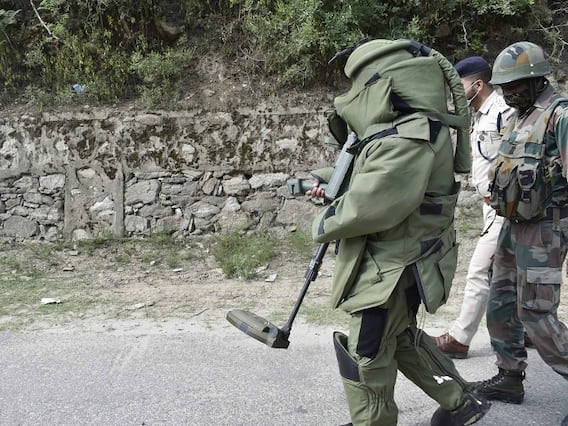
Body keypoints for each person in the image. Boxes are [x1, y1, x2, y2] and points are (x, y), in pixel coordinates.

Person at [307, 38, 490, 426]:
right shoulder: (406, 130)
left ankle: (373, 422)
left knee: (368, 347)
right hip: (400, 257)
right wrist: (329, 180)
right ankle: (460, 402)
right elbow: (373, 173)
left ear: (385, 82)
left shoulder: (410, 135)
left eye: (360, 83)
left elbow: (373, 202)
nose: (353, 94)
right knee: (399, 337)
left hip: (394, 263)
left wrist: (324, 221)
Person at [470, 41, 568, 423]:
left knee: (536, 314)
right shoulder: (517, 116)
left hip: (546, 229)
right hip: (513, 226)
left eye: (514, 85)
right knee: (501, 301)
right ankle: (510, 376)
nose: (507, 92)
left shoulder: (559, 115)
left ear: (536, 79)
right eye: (504, 86)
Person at [434, 56, 514, 359]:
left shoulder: (504, 112)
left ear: (478, 85)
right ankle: (527, 330)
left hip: (505, 208)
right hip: (489, 206)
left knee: (480, 270)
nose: (457, 92)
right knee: (509, 271)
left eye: (461, 85)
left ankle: (460, 337)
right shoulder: (480, 115)